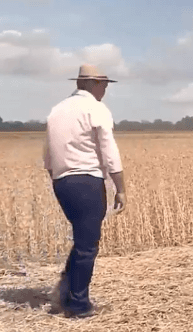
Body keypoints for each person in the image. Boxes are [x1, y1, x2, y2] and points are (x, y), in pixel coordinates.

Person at [44, 64, 127, 318]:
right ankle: (78, 305)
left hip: (62, 182)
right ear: (92, 84)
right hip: (87, 182)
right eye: (104, 85)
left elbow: (48, 155)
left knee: (82, 240)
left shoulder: (56, 110)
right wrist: (120, 188)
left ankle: (64, 292)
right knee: (88, 245)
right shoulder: (96, 109)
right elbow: (109, 152)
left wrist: (57, 178)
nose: (105, 90)